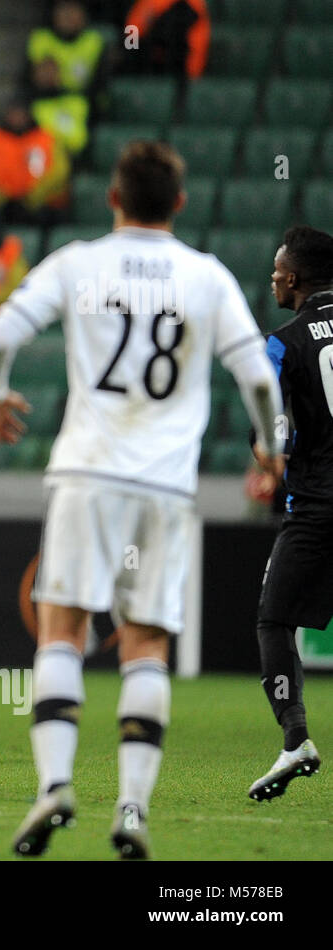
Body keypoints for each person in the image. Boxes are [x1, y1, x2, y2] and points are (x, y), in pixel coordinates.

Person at [0, 141, 282, 858]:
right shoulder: (206, 278)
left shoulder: (78, 263)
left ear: (113, 199)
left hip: (86, 472)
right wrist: (272, 445)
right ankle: (133, 810)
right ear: (178, 203)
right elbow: (260, 382)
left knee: (63, 627)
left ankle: (54, 786)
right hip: (167, 487)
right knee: (146, 641)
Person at [245, 225, 333, 802]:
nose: (273, 278)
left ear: (294, 278)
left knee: (275, 621)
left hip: (320, 508)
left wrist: (270, 454)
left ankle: (296, 737)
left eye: (278, 271)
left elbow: (271, 413)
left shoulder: (284, 340)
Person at [0, 99, 70, 226]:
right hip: (0, 208)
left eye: (21, 115)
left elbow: (59, 172)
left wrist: (32, 198)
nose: (17, 119)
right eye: (13, 114)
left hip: (41, 207)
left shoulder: (45, 138)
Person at [27, 0, 107, 96]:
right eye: (63, 9)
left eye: (73, 10)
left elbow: (101, 84)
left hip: (84, 102)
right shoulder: (40, 38)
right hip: (45, 102)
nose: (67, 16)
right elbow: (28, 82)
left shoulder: (94, 41)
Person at [122, 0, 209, 82]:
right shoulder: (150, 3)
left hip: (179, 73)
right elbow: (132, 29)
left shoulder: (193, 5)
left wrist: (191, 74)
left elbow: (197, 44)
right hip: (145, 66)